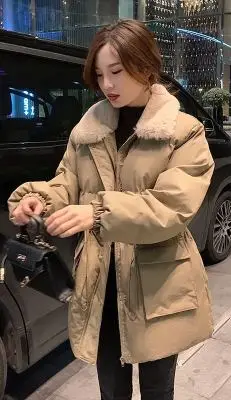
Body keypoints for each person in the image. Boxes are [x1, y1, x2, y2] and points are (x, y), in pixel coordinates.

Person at [8, 19, 215, 400]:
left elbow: (172, 206)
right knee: (111, 389)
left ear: (145, 66)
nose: (107, 84)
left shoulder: (182, 131)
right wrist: (39, 200)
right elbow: (67, 181)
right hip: (100, 280)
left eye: (116, 71)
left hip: (158, 284)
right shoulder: (88, 131)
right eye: (100, 74)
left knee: (157, 390)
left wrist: (98, 213)